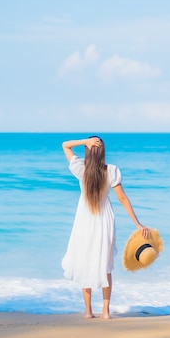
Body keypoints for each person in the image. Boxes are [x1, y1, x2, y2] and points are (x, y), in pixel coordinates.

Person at [61, 136, 150, 319]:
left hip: (84, 222)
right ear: (103, 152)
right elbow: (123, 199)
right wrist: (137, 223)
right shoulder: (111, 171)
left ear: (88, 149)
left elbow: (65, 145)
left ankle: (88, 312)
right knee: (105, 266)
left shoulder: (81, 169)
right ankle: (105, 312)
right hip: (104, 221)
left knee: (85, 263)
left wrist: (84, 141)